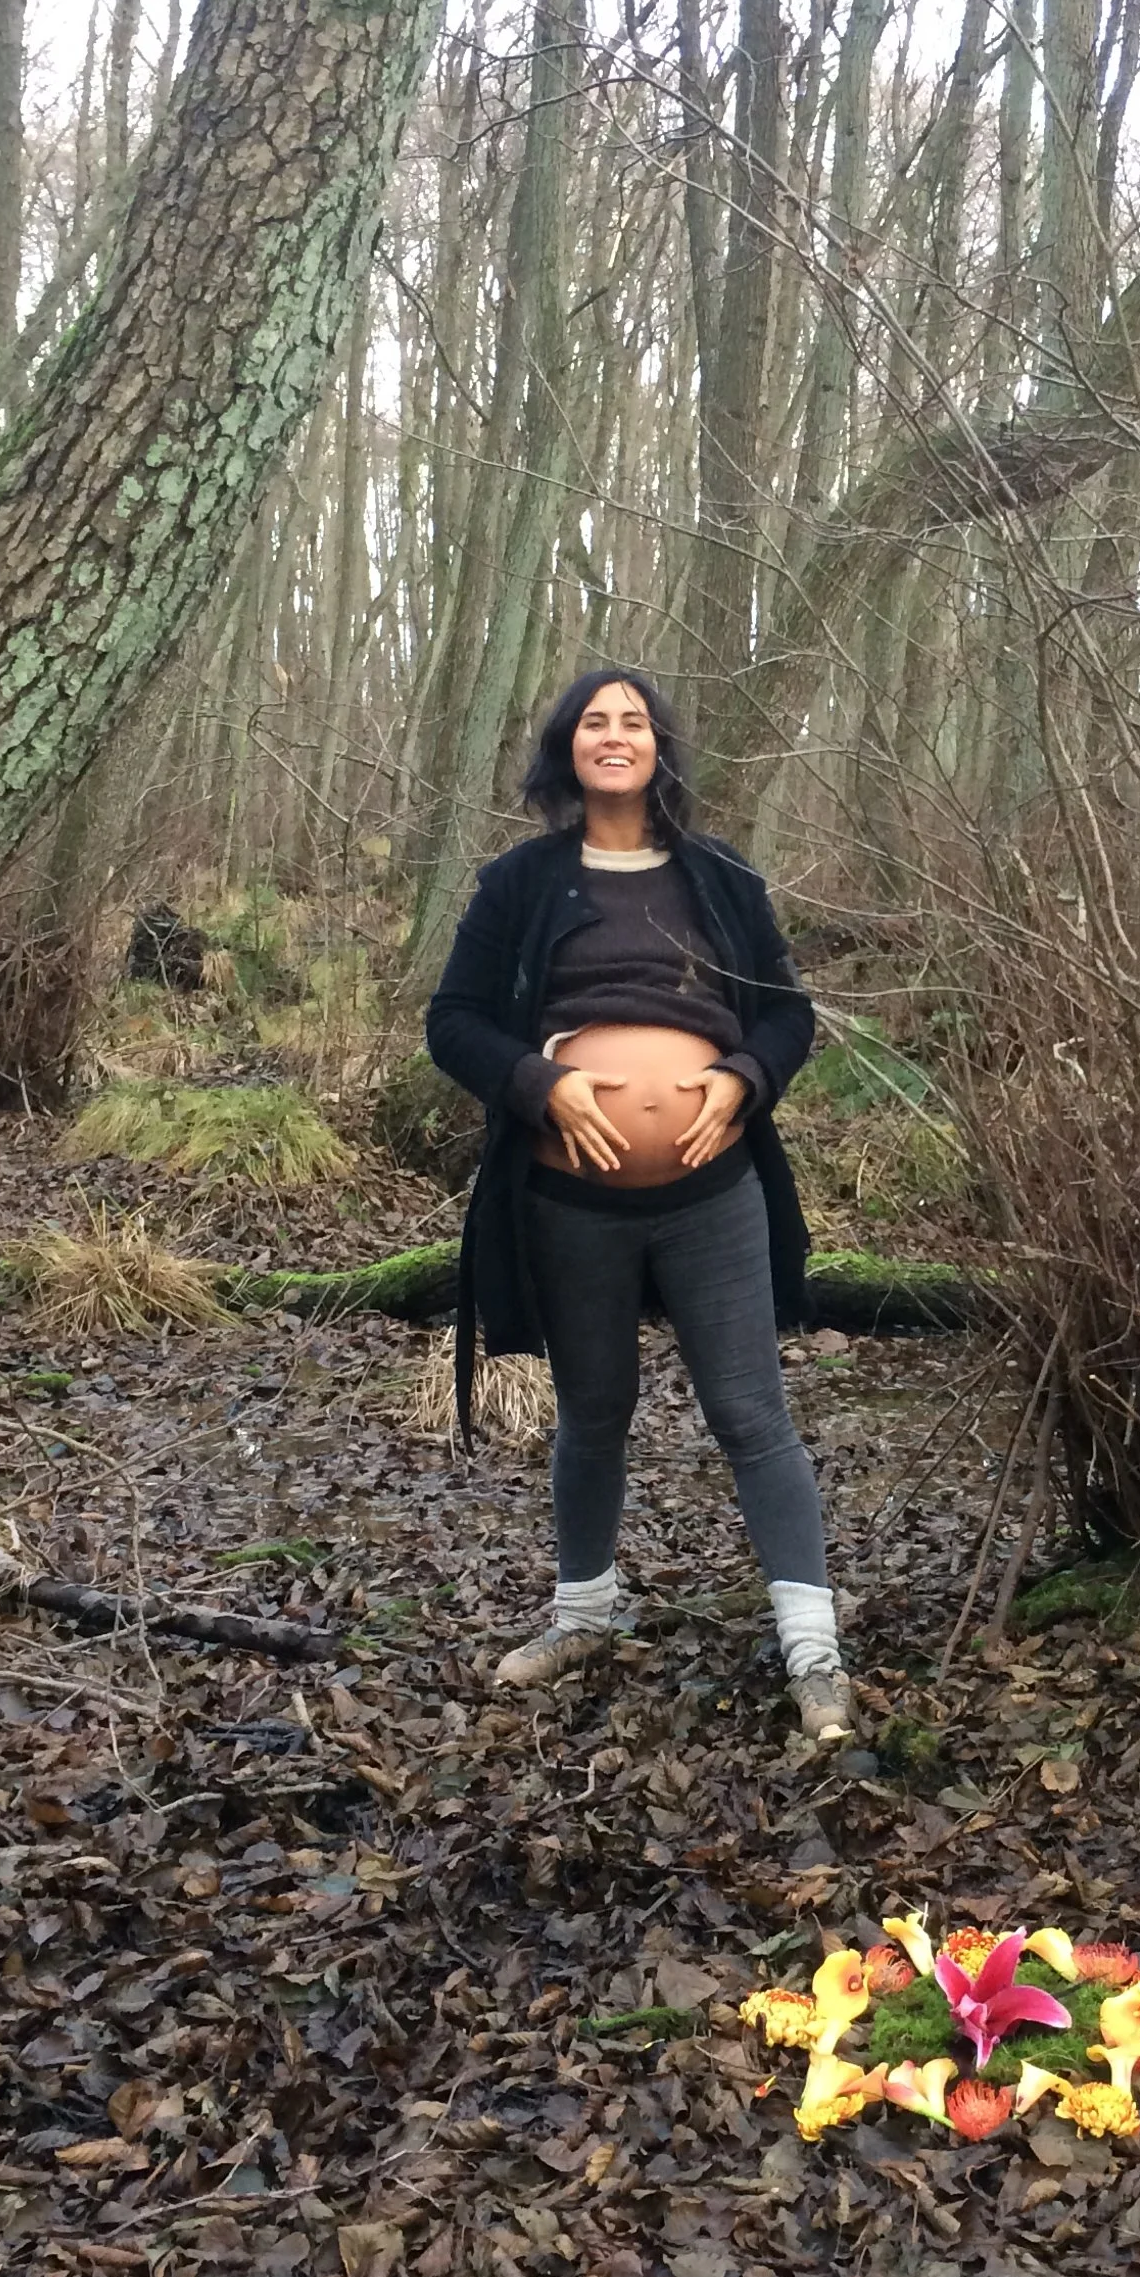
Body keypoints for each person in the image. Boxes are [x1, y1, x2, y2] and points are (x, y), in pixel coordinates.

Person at [425, 668, 853, 1741]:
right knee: (594, 1409)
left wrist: (742, 1078)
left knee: (751, 1414)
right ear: (566, 748)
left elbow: (789, 1016)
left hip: (715, 1193)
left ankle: (813, 1649)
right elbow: (456, 1020)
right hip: (568, 1197)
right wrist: (541, 1084)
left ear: (660, 746)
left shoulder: (722, 878)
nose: (613, 735)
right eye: (593, 721)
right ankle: (584, 1614)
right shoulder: (519, 883)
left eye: (633, 721)